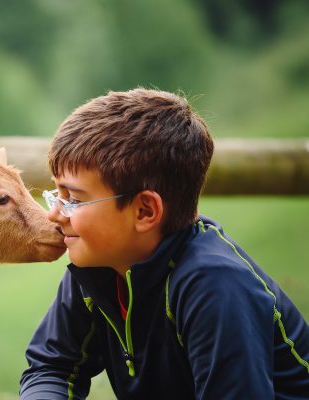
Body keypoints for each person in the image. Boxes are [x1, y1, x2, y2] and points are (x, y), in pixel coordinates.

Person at [19, 88, 309, 399]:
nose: (54, 214)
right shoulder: (98, 267)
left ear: (145, 211)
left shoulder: (216, 287)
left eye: (74, 199)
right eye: (56, 194)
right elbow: (51, 367)